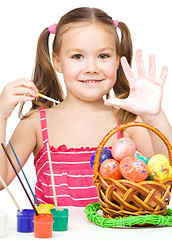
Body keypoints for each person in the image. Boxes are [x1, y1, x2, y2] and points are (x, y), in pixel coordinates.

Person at [0, 7, 172, 207]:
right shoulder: (36, 124)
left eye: (103, 56)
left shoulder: (129, 121)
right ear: (57, 62)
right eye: (77, 56)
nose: (91, 68)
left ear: (117, 60)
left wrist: (155, 117)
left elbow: (166, 175)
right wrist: (1, 117)